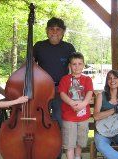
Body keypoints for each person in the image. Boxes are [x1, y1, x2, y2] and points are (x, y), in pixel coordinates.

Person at [33, 17, 76, 159]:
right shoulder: (38, 46)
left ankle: (56, 155)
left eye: (58, 29)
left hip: (60, 92)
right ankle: (40, 152)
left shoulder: (68, 48)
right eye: (51, 29)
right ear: (46, 31)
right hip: (41, 92)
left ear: (63, 32)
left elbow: (76, 68)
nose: (54, 32)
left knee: (58, 122)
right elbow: (29, 67)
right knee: (39, 122)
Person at [58, 52, 94, 159]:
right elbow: (62, 93)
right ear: (70, 66)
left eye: (79, 63)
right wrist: (71, 103)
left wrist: (83, 104)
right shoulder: (65, 79)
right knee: (69, 142)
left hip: (83, 117)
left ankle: (77, 156)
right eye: (74, 64)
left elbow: (89, 92)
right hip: (69, 117)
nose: (77, 66)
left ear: (83, 65)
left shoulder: (87, 79)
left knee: (80, 141)